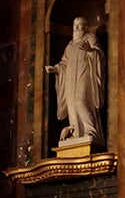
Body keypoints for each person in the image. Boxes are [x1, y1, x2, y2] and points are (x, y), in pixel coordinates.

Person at [45, 17, 105, 146]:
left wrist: (91, 51)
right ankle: (76, 133)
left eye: (80, 25)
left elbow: (99, 55)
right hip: (70, 78)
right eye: (75, 25)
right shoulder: (70, 45)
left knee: (80, 101)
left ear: (86, 27)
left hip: (85, 75)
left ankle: (91, 131)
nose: (77, 28)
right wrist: (56, 68)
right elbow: (64, 62)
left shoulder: (90, 38)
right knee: (72, 103)